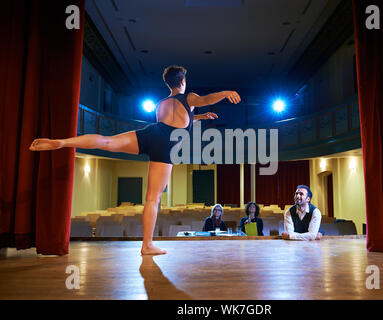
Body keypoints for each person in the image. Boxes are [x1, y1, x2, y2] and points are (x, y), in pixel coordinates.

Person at [29, 65, 241, 255]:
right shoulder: (189, 98)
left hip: (151, 134)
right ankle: (147, 245)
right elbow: (206, 100)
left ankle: (62, 143)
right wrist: (225, 93)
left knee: (106, 141)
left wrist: (199, 118)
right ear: (183, 82)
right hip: (165, 145)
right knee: (152, 198)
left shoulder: (162, 104)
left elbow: (176, 120)